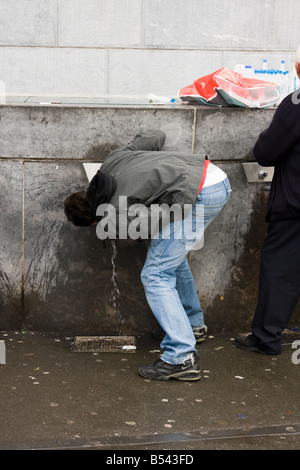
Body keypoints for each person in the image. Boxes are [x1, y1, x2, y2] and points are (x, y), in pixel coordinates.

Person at [65, 129, 231, 380]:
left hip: (200, 195)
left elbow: (161, 217)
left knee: (155, 274)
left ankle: (181, 356)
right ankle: (192, 325)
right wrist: (155, 170)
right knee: (170, 259)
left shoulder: (115, 213)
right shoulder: (112, 161)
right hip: (212, 176)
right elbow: (157, 135)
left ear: (93, 222)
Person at [234, 48, 300, 356]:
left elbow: (266, 151)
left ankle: (266, 338)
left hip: (294, 206)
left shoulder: (295, 104)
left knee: (280, 271)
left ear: (297, 69)